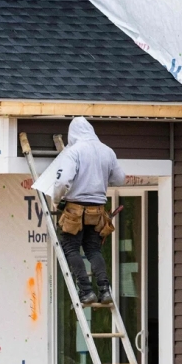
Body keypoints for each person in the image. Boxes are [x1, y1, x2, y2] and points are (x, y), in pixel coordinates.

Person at [52, 117, 125, 305]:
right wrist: (98, 179)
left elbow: (62, 181)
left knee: (70, 248)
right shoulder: (107, 151)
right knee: (93, 250)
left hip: (75, 210)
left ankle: (86, 291)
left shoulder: (73, 152)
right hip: (97, 211)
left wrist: (56, 200)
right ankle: (104, 289)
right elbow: (119, 179)